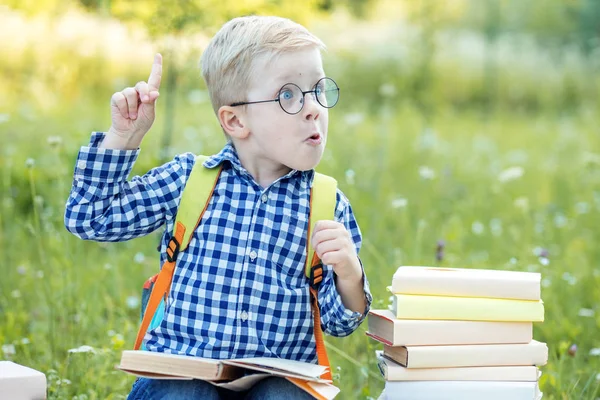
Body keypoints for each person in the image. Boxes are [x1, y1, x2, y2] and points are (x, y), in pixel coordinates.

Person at [65, 15, 372, 400]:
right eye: (289, 96)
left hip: (278, 376)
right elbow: (91, 219)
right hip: (182, 370)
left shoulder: (326, 204)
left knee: (286, 398)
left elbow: (339, 322)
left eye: (317, 89)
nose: (313, 109)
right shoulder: (191, 180)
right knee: (187, 396)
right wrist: (123, 138)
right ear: (235, 120)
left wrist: (349, 272)